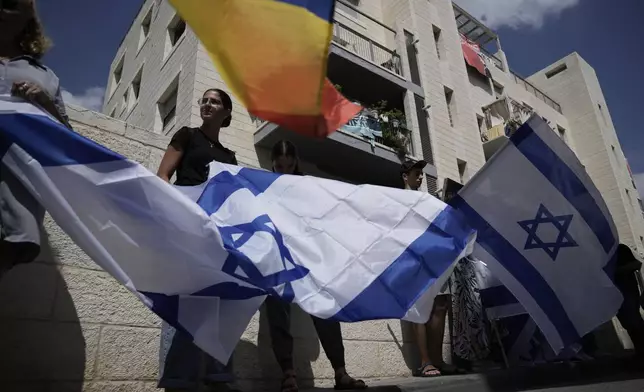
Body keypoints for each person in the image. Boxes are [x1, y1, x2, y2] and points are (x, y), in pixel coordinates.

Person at [266, 140, 367, 392]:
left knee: (325, 309)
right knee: (277, 311)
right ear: (273, 164)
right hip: (277, 259)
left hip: (308, 258)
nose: (285, 171)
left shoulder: (308, 186)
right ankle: (288, 373)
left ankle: (340, 372)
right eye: (280, 166)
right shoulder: (265, 186)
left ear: (296, 163)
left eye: (289, 166)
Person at [156, 88, 238, 392]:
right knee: (182, 303)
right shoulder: (187, 135)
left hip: (215, 236)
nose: (207, 104)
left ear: (226, 112)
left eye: (214, 101)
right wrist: (176, 215)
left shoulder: (230, 157)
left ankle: (219, 379)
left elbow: (231, 198)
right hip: (186, 229)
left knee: (219, 304)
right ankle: (177, 380)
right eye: (204, 100)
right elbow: (163, 175)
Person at [1, 0, 72, 278]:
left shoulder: (45, 76)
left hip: (16, 184)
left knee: (11, 244)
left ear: (27, 19)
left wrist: (44, 101)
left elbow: (66, 135)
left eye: (9, 5)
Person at [401, 160, 463, 377]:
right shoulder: (399, 200)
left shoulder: (429, 199)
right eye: (416, 173)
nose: (420, 177)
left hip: (435, 260)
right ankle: (425, 362)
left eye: (421, 174)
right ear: (405, 176)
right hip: (414, 262)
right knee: (420, 310)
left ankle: (437, 359)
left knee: (440, 306)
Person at [614, 243, 644, 359]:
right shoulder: (600, 251)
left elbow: (636, 264)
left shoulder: (620, 248)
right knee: (627, 323)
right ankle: (640, 352)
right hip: (615, 294)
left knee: (634, 321)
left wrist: (616, 271)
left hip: (628, 291)